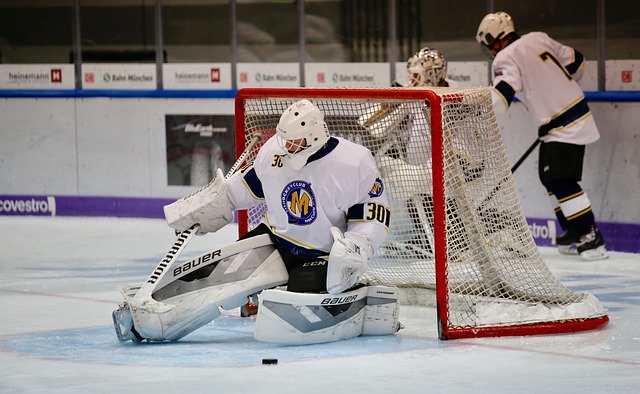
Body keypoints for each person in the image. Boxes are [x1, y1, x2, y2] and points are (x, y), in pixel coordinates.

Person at [112, 99, 400, 345]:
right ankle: (156, 321)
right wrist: (215, 204)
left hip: (322, 254)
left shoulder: (353, 161)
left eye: (295, 142)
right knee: (215, 275)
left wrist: (358, 245)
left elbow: (372, 211)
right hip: (276, 239)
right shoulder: (274, 151)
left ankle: (357, 298)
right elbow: (248, 187)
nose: (287, 147)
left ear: (314, 136)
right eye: (284, 139)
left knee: (301, 296)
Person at [475, 11, 608, 260]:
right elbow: (577, 62)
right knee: (548, 177)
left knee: (560, 180)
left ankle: (590, 236)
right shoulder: (539, 37)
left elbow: (502, 94)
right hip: (568, 118)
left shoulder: (505, 57)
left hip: (563, 125)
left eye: (490, 42)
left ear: (499, 36)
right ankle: (572, 229)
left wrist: (477, 108)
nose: (490, 49)